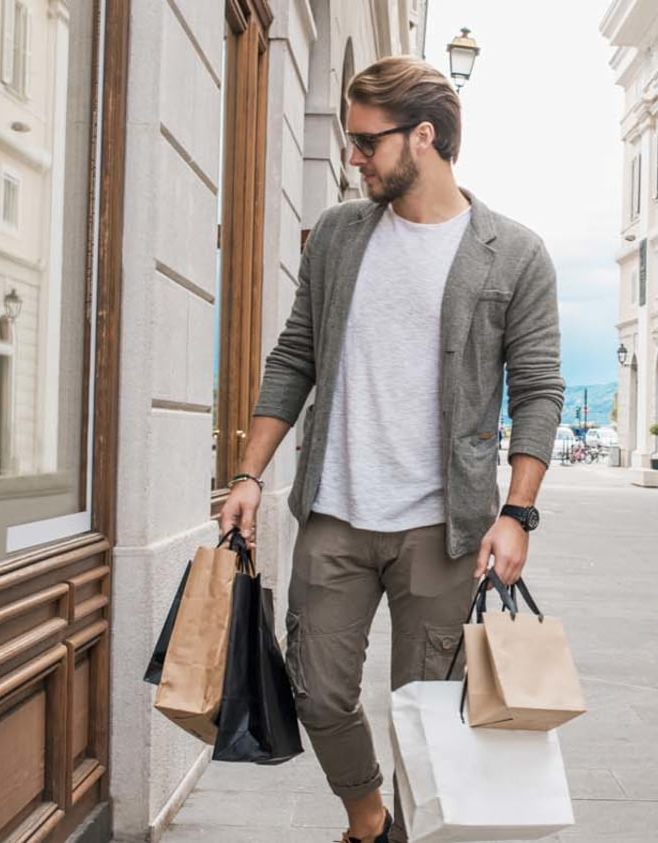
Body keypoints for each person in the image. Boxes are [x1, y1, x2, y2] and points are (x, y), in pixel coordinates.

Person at [218, 56, 564, 843]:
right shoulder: (341, 235)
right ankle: (368, 819)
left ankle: (407, 831)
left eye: (366, 141)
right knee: (319, 691)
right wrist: (249, 472)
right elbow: (294, 356)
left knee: (428, 712)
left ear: (426, 137)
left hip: (443, 529)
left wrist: (517, 514)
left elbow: (538, 389)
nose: (354, 157)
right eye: (349, 140)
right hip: (336, 512)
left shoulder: (512, 252)